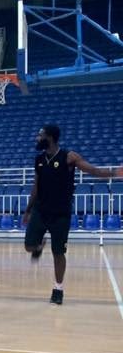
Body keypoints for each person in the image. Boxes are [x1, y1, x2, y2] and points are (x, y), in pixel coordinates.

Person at [23, 125, 123, 305]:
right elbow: (36, 187)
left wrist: (115, 173)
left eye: (40, 135)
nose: (37, 138)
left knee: (58, 253)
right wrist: (28, 209)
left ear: (50, 137)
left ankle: (58, 289)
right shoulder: (39, 159)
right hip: (40, 211)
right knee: (29, 247)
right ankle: (38, 247)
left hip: (61, 213)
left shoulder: (69, 157)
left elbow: (94, 171)